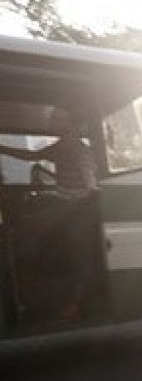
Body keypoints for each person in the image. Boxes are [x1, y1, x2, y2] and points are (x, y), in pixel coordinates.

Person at [0, 106, 99, 320]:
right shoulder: (61, 146)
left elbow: (89, 177)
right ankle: (27, 269)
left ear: (72, 124)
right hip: (64, 204)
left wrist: (90, 189)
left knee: (80, 255)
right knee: (27, 225)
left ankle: (78, 304)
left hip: (78, 207)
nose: (53, 122)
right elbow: (32, 156)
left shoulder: (78, 148)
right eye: (53, 118)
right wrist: (3, 149)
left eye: (59, 119)